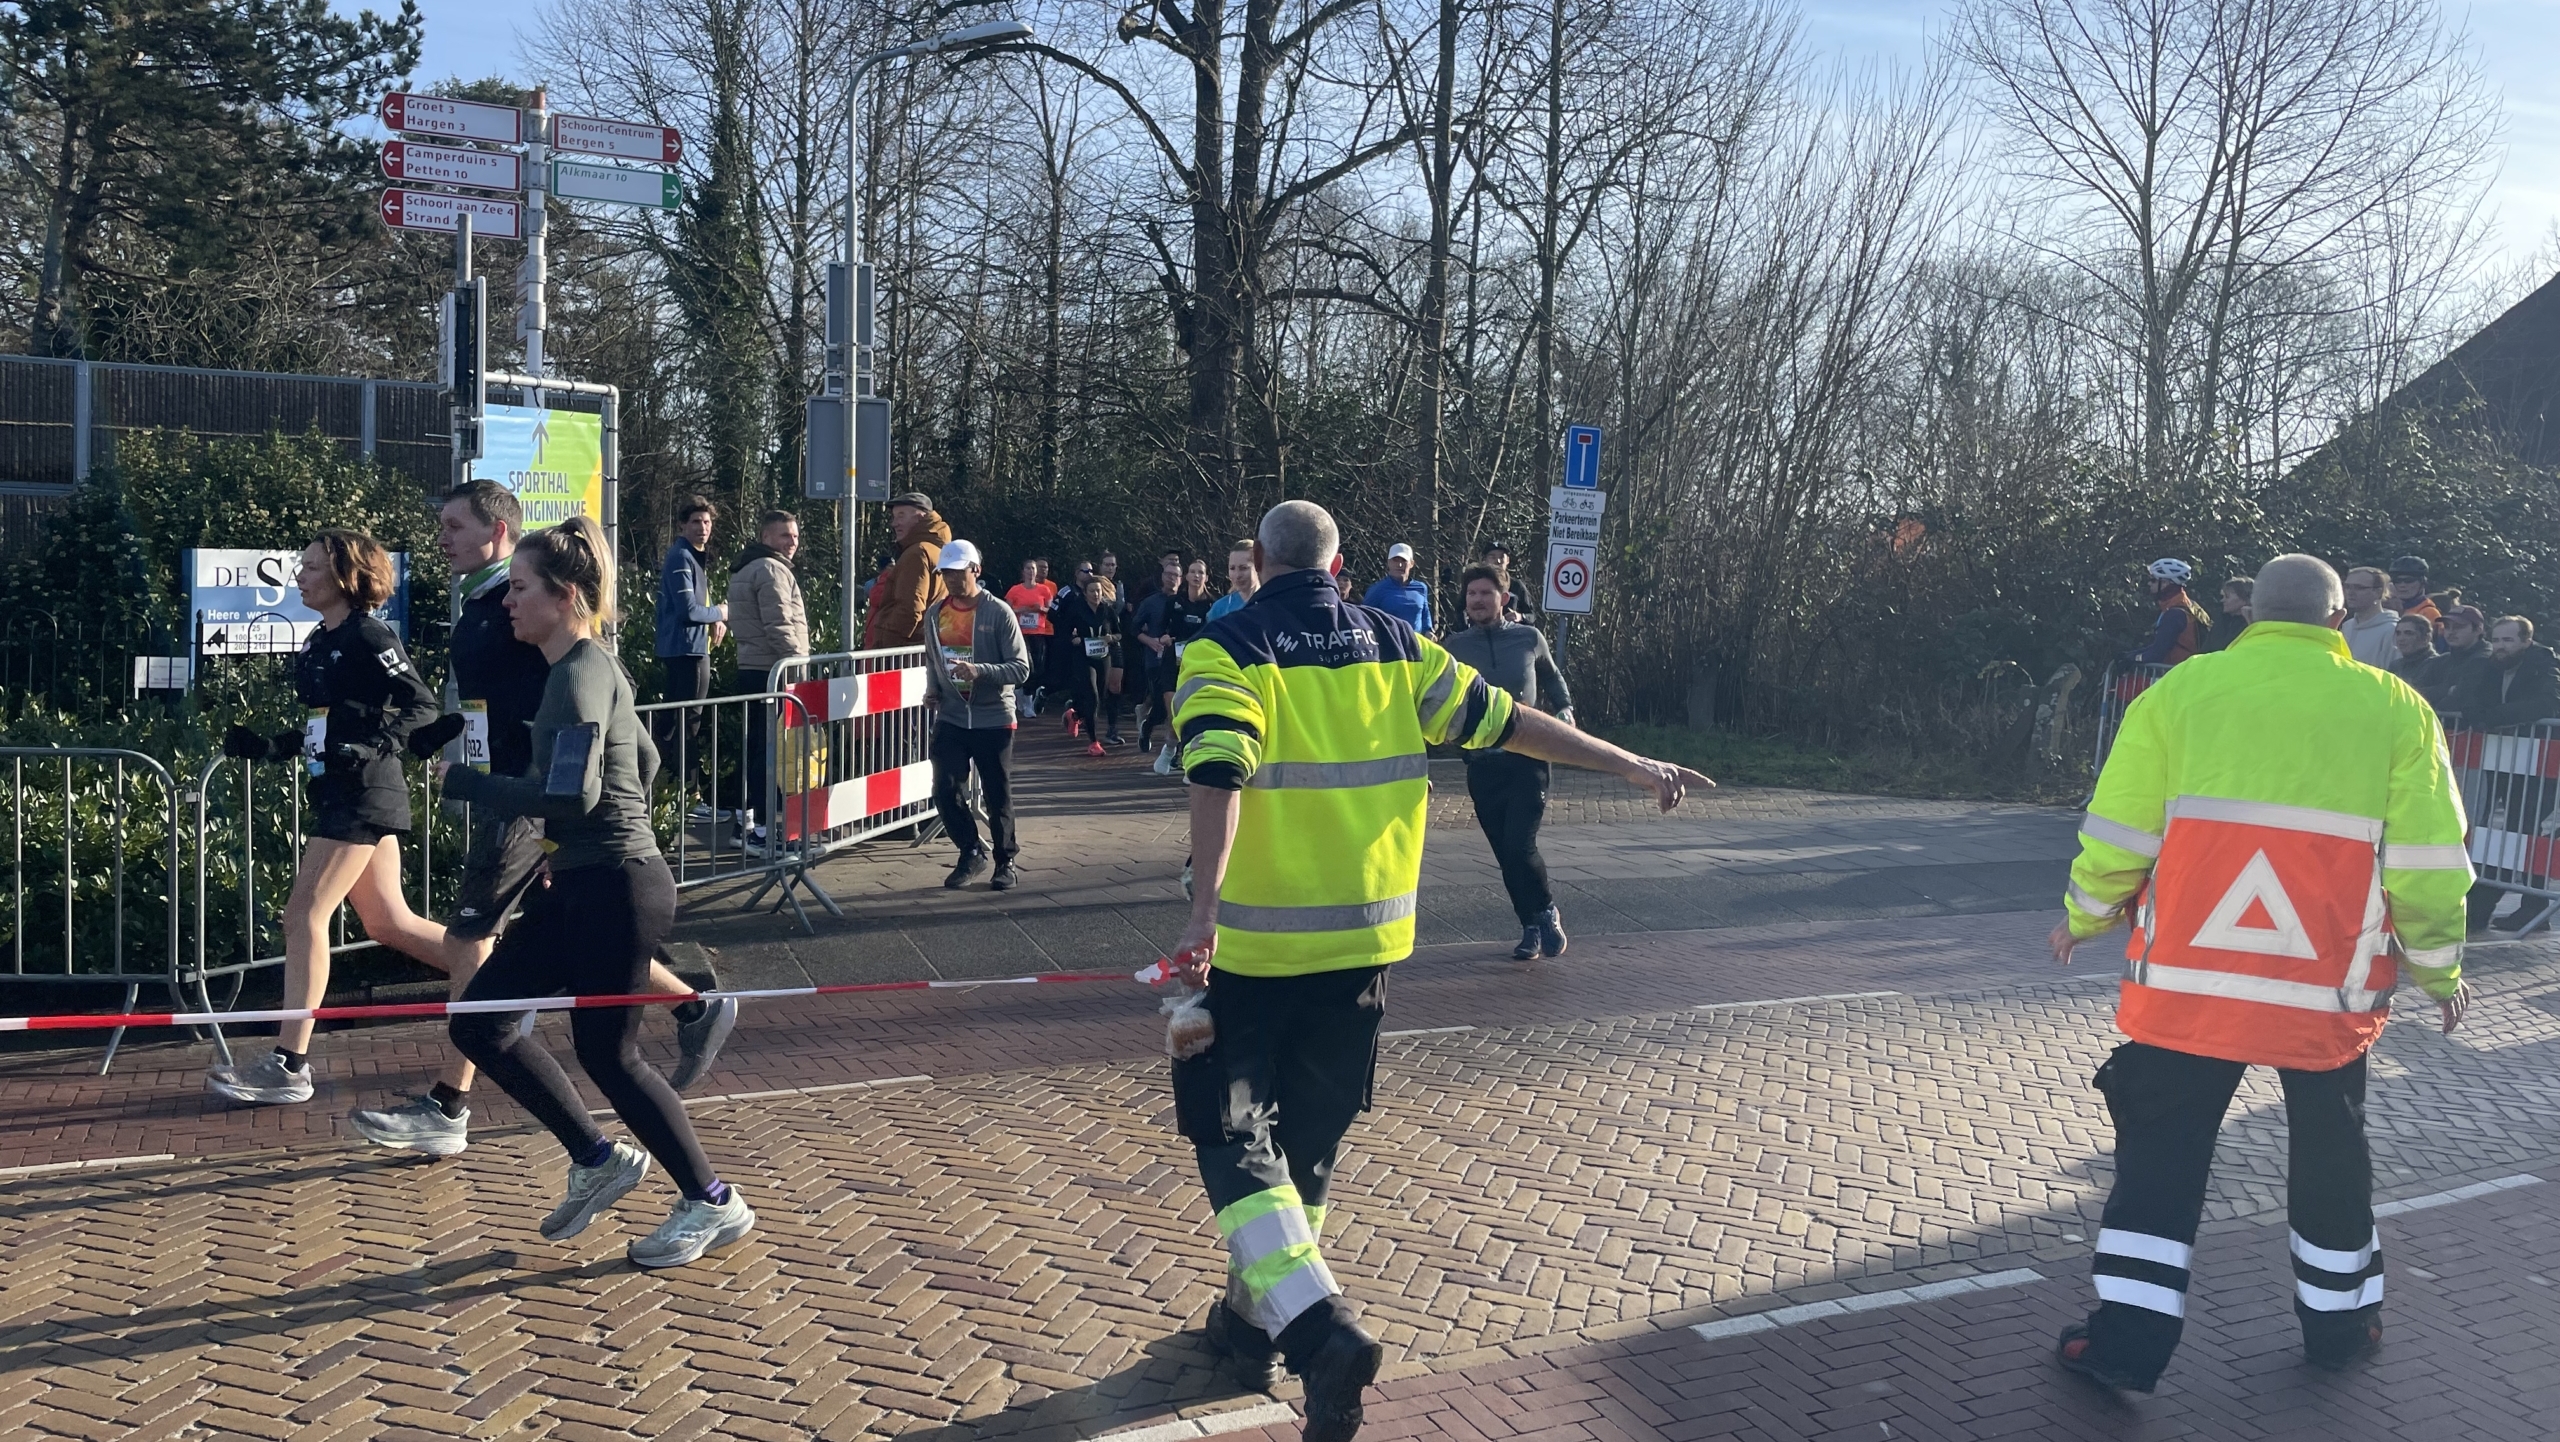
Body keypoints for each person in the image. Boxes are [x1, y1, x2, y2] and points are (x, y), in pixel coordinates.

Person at [1164, 499, 1710, 1440]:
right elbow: (1515, 724)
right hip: (1365, 950)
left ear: (1257, 558)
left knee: (1234, 1136)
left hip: (1253, 952)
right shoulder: (1396, 647)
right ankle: (1248, 1330)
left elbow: (1221, 770)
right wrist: (1630, 763)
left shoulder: (1229, 649)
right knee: (1310, 1152)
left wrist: (1204, 910)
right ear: (1341, 565)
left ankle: (1317, 1331)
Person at [2049, 553, 2472, 1393]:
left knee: (2158, 1169)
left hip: (2187, 988)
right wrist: (2437, 967)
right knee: (2331, 1163)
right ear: (2336, 621)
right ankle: (2342, 1331)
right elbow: (2428, 863)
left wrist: (2084, 917)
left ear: (2250, 617)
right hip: (2325, 995)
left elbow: (2122, 828)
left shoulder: (2180, 694)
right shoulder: (2395, 707)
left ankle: (2125, 1349)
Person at [348, 487, 735, 1155]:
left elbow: (602, 758)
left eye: (453, 525)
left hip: (534, 811)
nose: (442, 537)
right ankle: (690, 1017)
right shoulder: (488, 604)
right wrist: (439, 734)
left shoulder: (561, 647)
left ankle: (452, 1105)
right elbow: (514, 710)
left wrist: (552, 812)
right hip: (547, 818)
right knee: (585, 993)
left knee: (481, 947)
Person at [434, 518, 754, 1269]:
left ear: (564, 595)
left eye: (519, 589)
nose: (507, 603)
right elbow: (640, 764)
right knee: (480, 1022)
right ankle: (596, 1158)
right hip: (586, 880)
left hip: (615, 887)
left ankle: (713, 1203)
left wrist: (472, 782)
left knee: (611, 1059)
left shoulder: (577, 674)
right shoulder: (588, 669)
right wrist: (562, 850)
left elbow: (571, 795)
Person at [208, 530, 444, 1104]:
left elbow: (422, 705)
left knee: (304, 913)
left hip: (362, 793)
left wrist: (373, 745)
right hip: (338, 791)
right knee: (389, 924)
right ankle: (502, 979)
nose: (300, 577)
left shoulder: (370, 633)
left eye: (312, 568)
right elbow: (328, 726)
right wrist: (271, 747)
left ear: (345, 575)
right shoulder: (321, 639)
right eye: (301, 567)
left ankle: (291, 1063)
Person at [1443, 565, 1575, 961]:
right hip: (1481, 764)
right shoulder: (1454, 646)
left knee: (1520, 845)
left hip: (1527, 759)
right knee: (1504, 852)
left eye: (1486, 593)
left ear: (1504, 599)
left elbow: (1552, 678)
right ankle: (1529, 925)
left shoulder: (1528, 637)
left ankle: (1546, 909)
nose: (1478, 601)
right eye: (1471, 595)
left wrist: (1565, 707)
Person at [921, 540, 1031, 890]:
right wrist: (934, 688)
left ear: (976, 571)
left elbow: (1021, 668)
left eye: (958, 573)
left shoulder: (999, 612)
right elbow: (933, 659)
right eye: (946, 574)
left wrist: (980, 671)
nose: (952, 580)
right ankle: (971, 851)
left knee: (998, 794)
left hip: (993, 717)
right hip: (952, 716)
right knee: (944, 787)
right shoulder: (935, 614)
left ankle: (1006, 861)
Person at [2463, 615, 2560, 934]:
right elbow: (2473, 697)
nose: (2500, 646)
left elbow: (2546, 703)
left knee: (2525, 832)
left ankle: (2524, 909)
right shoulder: (2490, 666)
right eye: (2497, 640)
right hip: (2501, 762)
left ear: (2526, 642)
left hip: (2537, 765)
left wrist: (2494, 718)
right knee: (2503, 834)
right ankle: (2496, 908)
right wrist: (2478, 713)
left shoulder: (2542, 664)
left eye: (2508, 640)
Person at [726, 510, 809, 848]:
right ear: (766, 538)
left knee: (756, 747)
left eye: (796, 536)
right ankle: (762, 829)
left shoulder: (745, 568)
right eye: (784, 536)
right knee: (769, 752)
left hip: (752, 667)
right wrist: (798, 665)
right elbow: (779, 624)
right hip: (773, 671)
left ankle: (745, 823)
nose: (792, 543)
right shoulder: (771, 570)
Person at [652, 498, 727, 794]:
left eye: (707, 522)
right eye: (696, 521)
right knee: (688, 724)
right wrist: (720, 613)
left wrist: (713, 618)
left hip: (687, 648)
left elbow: (698, 606)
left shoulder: (692, 556)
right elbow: (689, 611)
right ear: (682, 525)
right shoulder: (681, 557)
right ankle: (689, 795)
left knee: (674, 723)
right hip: (688, 652)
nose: (703, 527)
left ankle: (666, 789)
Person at [1151, 558, 1217, 775]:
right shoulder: (1174, 602)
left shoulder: (1212, 605)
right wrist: (1165, 637)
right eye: (1192, 572)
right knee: (1174, 710)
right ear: (1186, 577)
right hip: (1174, 661)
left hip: (1198, 663)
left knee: (1192, 712)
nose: (1196, 576)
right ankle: (1170, 748)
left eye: (1201, 572)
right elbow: (1160, 630)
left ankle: (1183, 754)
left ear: (1206, 578)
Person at [861, 492, 951, 648]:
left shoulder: (918, 553)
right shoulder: (938, 550)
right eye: (894, 517)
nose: (894, 523)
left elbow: (910, 609)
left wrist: (884, 647)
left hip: (904, 649)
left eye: (901, 516)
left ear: (920, 517)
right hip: (925, 646)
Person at [1055, 571, 1122, 754]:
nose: (1096, 594)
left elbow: (1119, 633)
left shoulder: (1107, 610)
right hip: (1083, 657)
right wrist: (1073, 640)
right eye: (1092, 591)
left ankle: (1075, 714)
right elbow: (1063, 632)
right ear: (1085, 593)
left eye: (1099, 591)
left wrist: (1111, 638)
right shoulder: (1076, 608)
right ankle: (1094, 742)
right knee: (1092, 696)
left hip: (1103, 657)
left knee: (1099, 697)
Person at [1132, 555, 1184, 757]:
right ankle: (1147, 727)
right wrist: (1150, 641)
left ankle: (1176, 751)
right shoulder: (1151, 602)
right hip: (1155, 659)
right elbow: (1134, 627)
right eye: (1168, 574)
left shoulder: (1185, 602)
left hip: (1179, 660)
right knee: (1162, 706)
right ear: (1162, 577)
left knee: (1179, 705)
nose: (1171, 579)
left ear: (1181, 579)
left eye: (1176, 575)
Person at [2122, 558, 2209, 667]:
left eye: (2153, 579)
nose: (2149, 583)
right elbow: (2158, 646)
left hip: (2176, 674)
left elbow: (2157, 653)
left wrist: (2132, 659)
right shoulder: (2190, 606)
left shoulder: (2174, 615)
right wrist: (2130, 655)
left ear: (2165, 583)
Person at [2427, 606, 2500, 723]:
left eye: (2459, 627)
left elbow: (2458, 699)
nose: (2451, 632)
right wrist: (2447, 690)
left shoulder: (2485, 658)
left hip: (2471, 733)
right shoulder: (2441, 660)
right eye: (2447, 627)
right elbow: (2415, 692)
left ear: (2478, 629)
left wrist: (2436, 695)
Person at [1005, 560, 1057, 718]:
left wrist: (1041, 609)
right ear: (1023, 571)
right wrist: (1021, 610)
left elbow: (1051, 609)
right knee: (1028, 665)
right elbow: (1005, 610)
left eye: (1033, 568)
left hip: (1039, 631)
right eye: (1027, 568)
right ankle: (1027, 703)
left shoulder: (1044, 590)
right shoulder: (1015, 590)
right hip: (1020, 633)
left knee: (1039, 668)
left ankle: (1021, 691)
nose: (1031, 571)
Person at [1361, 543, 1433, 633]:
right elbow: (1364, 620)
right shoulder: (1377, 590)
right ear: (1388, 563)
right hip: (1391, 645)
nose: (1399, 565)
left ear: (1412, 563)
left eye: (1404, 561)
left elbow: (1425, 614)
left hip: (1416, 644)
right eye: (1395, 560)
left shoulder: (1421, 588)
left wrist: (1429, 630)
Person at [2336, 567, 2398, 668]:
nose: (2350, 592)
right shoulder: (2347, 626)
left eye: (2359, 588)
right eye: (2347, 587)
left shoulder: (2392, 630)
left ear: (2378, 592)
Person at [1477, 539, 1537, 622]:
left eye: (1501, 557)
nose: (1498, 561)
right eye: (1492, 557)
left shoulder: (1516, 586)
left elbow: (1532, 616)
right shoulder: (1475, 585)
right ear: (1485, 560)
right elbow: (1460, 612)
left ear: (1507, 560)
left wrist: (1520, 617)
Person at [2387, 556, 2442, 638]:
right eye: (2397, 581)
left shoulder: (2428, 612)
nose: (2402, 585)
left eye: (2409, 581)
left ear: (2422, 583)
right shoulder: (2388, 607)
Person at [1206, 539, 1258, 623]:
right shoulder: (1219, 609)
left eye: (1243, 568)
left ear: (1258, 566)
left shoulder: (1271, 604)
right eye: (1232, 568)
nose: (1237, 575)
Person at [2387, 614, 2438, 695]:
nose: (2401, 638)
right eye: (2398, 633)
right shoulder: (2395, 666)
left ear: (2426, 638)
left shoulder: (2437, 665)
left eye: (2408, 633)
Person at [2214, 577, 2252, 648]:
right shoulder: (2221, 620)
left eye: (2227, 597)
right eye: (2223, 597)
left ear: (2244, 599)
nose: (2222, 601)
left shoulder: (2250, 625)